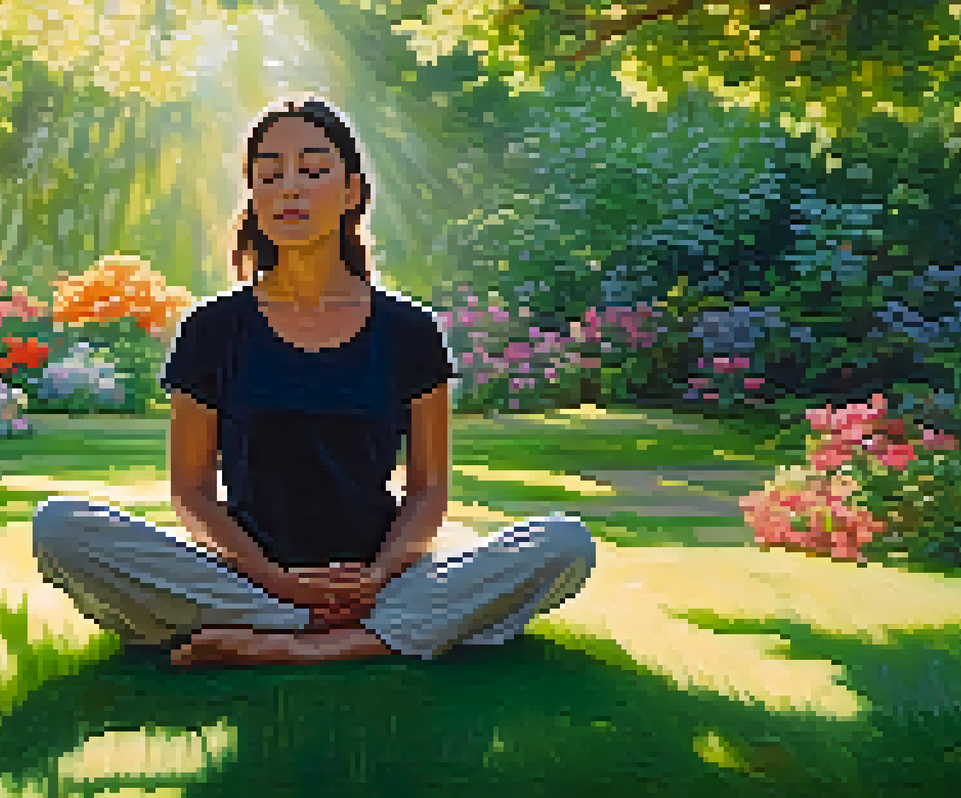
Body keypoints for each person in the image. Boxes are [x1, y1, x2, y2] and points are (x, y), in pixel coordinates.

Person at [32, 95, 597, 669]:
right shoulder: (212, 328)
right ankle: (357, 633)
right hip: (246, 576)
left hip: (381, 582)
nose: (290, 188)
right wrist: (282, 584)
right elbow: (194, 493)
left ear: (352, 192)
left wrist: (378, 577)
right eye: (270, 174)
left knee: (564, 543)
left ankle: (296, 644)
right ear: (253, 195)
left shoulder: (409, 329)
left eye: (312, 169)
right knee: (61, 527)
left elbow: (427, 492)